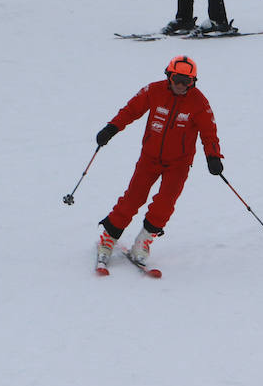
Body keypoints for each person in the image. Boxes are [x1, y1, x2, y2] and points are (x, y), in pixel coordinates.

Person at [91, 55, 224, 271]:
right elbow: (131, 111)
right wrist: (111, 128)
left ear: (193, 82)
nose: (181, 85)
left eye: (186, 81)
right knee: (133, 198)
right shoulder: (153, 91)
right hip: (150, 158)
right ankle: (108, 238)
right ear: (169, 76)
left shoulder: (199, 102)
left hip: (179, 164)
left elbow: (210, 133)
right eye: (177, 79)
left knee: (165, 204)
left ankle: (142, 242)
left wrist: (213, 157)